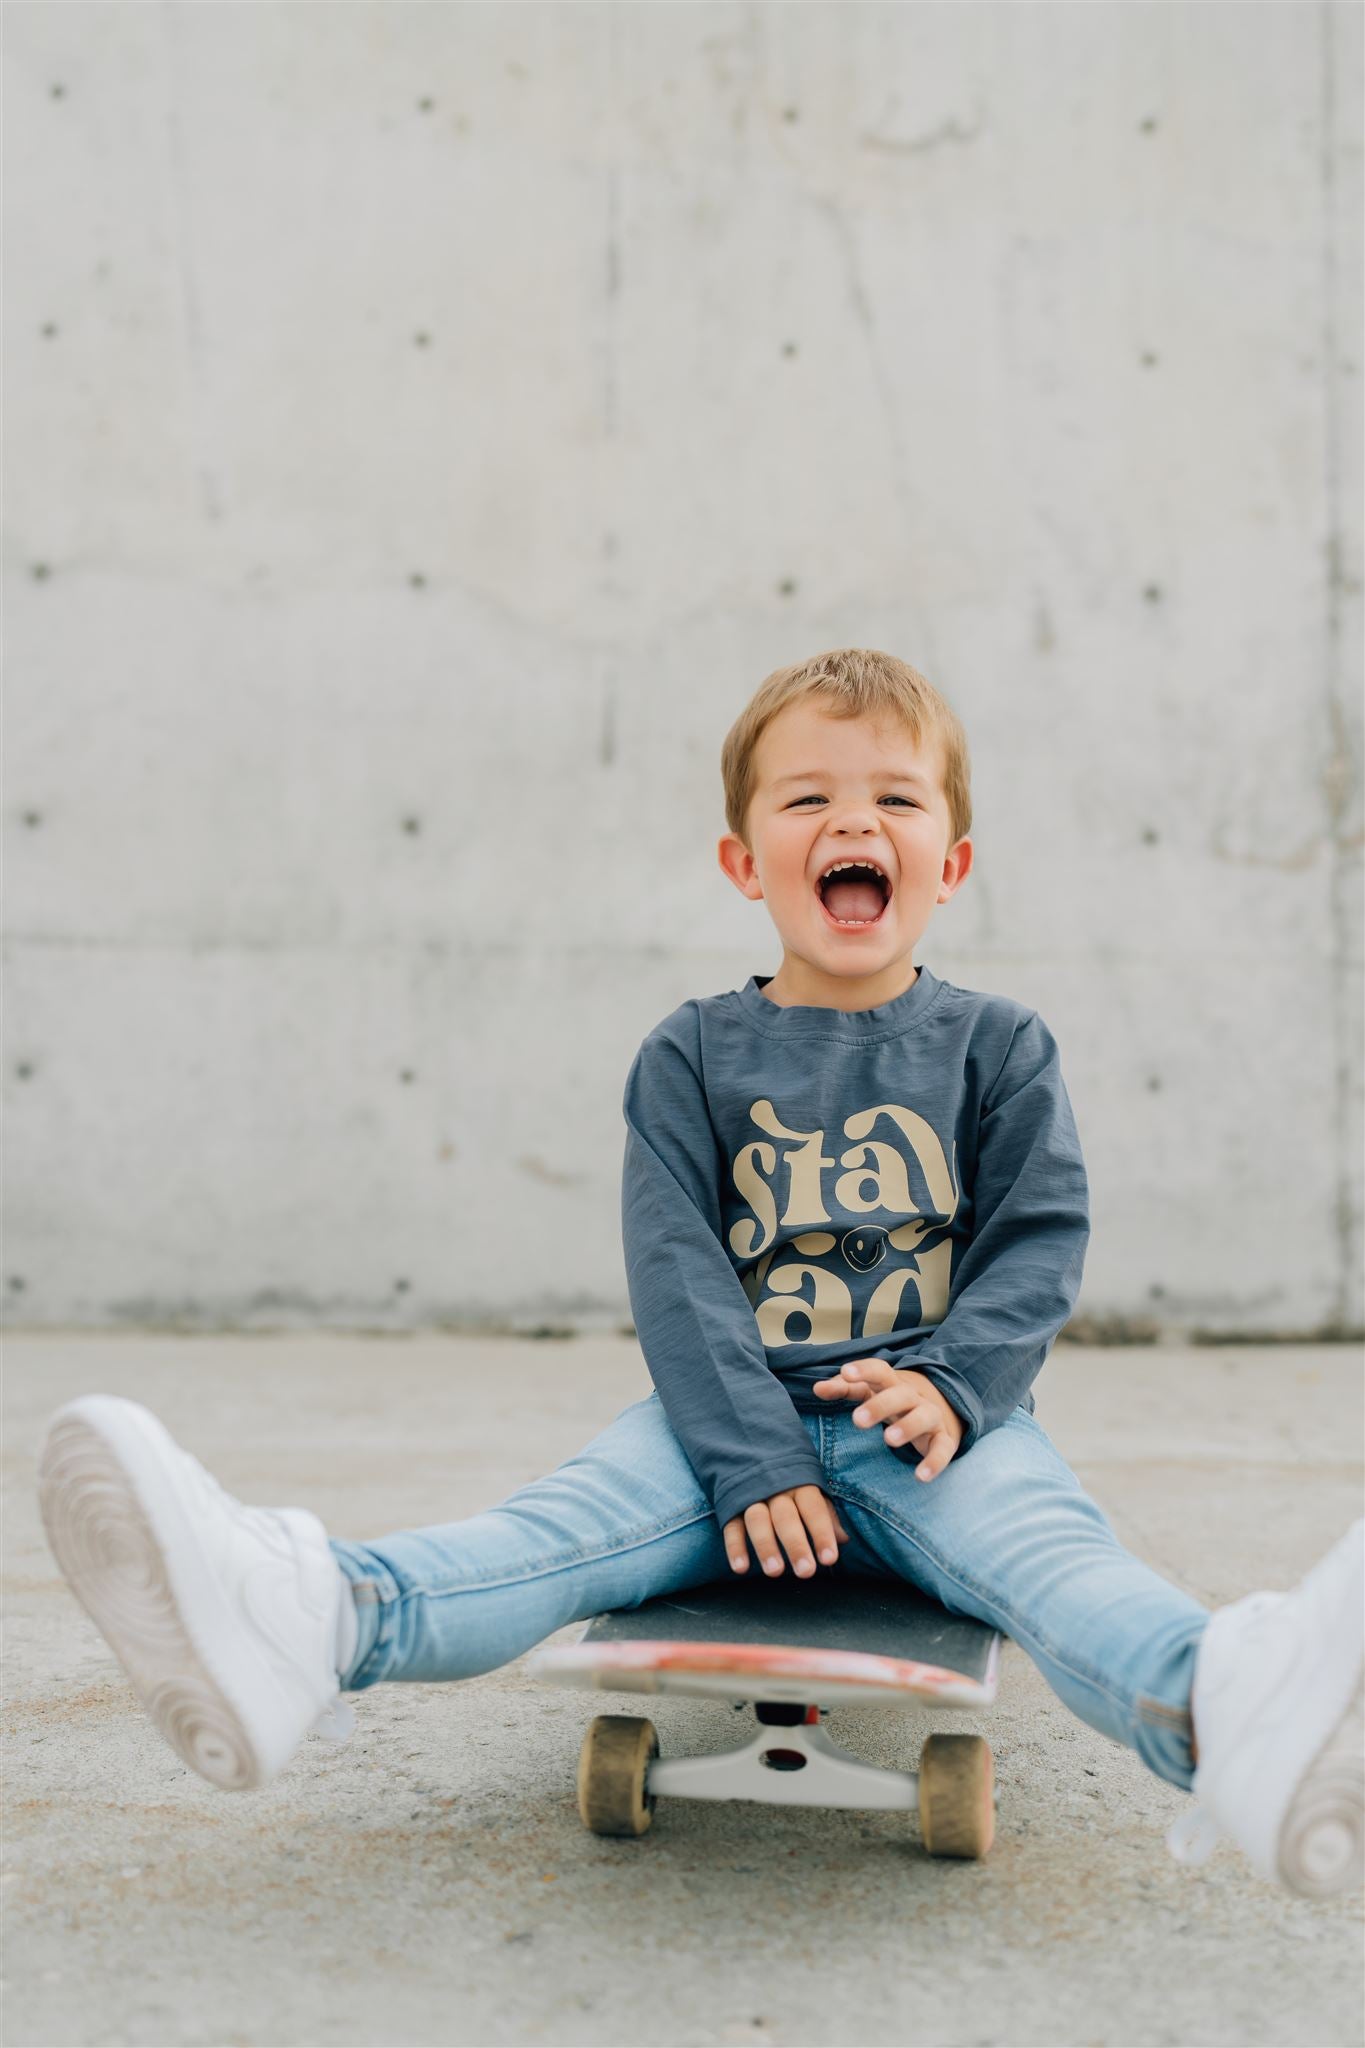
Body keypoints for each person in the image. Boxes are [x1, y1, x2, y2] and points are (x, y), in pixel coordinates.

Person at [37, 647, 1363, 1898]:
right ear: (746, 859)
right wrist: (750, 1454)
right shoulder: (690, 1054)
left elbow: (1036, 1238)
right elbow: (676, 1270)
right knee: (536, 1545)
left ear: (947, 861)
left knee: (1060, 1566)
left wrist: (955, 1388)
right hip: (722, 1437)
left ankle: (1231, 1710)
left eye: (894, 796)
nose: (855, 820)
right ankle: (303, 1621)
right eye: (809, 798)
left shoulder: (996, 1047)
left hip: (937, 1434)